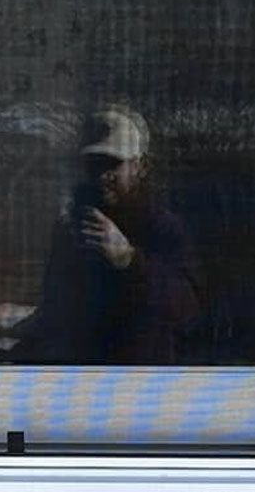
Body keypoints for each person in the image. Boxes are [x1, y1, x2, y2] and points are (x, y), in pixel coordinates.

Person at [10, 106, 201, 365]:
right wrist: (6, 355)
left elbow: (186, 311)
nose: (103, 175)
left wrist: (130, 260)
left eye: (114, 163)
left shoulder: (161, 227)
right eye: (95, 164)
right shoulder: (71, 229)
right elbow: (57, 315)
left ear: (140, 167)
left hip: (138, 383)